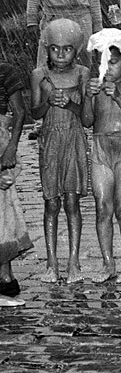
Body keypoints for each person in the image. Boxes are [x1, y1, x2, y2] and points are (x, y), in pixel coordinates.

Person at [82, 29, 121, 284]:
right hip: (100, 146)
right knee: (101, 207)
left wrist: (118, 97)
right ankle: (108, 263)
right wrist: (89, 97)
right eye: (102, 63)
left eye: (114, 62)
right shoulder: (93, 83)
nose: (107, 69)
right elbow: (87, 121)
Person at [30, 18, 89, 283]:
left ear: (77, 50)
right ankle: (52, 263)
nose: (61, 54)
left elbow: (88, 119)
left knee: (72, 202)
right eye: (55, 49)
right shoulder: (39, 75)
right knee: (51, 203)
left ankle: (74, 262)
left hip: (74, 139)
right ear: (47, 49)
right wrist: (48, 102)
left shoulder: (83, 74)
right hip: (51, 141)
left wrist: (71, 105)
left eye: (68, 49)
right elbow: (35, 113)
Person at [0, 58, 32, 306]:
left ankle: (5, 275)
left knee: (5, 209)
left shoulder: (6, 71)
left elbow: (20, 111)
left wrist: (12, 147)